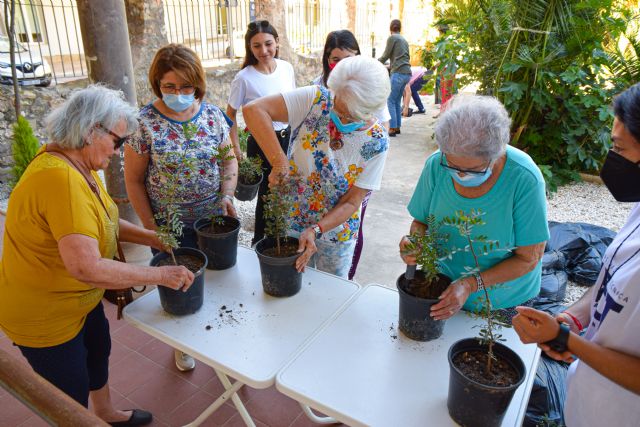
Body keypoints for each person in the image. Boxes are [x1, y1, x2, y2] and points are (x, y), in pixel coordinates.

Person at [0, 85, 194, 426]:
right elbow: (85, 267)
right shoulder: (60, 180)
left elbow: (103, 219)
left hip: (77, 302)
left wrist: (152, 237)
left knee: (98, 349)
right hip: (46, 316)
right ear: (92, 130)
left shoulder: (74, 165)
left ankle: (105, 413)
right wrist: (162, 275)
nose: (119, 152)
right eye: (118, 142)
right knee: (68, 397)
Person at [512, 83, 640, 426]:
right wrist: (575, 318)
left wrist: (566, 339)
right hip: (588, 403)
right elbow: (609, 283)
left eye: (619, 148)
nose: (611, 158)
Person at [124, 44, 237, 373]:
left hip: (214, 225)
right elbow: (133, 181)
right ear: (157, 83)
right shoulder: (143, 124)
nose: (178, 93)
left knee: (221, 284)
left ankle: (224, 344)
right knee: (182, 292)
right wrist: (151, 227)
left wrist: (227, 195)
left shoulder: (213, 115)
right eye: (169, 86)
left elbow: (229, 161)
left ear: (197, 84)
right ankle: (182, 346)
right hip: (170, 229)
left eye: (186, 86)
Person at [399, 95, 548, 322]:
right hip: (442, 290)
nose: (459, 175)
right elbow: (421, 221)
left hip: (502, 301)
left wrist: (470, 285)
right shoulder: (435, 165)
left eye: (473, 169)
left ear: (496, 155)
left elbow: (529, 258)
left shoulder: (524, 178)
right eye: (452, 165)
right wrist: (415, 244)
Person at [244, 56, 390, 278]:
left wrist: (317, 229)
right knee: (291, 285)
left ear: (371, 109)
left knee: (329, 294)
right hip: (291, 219)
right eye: (338, 107)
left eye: (349, 115)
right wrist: (279, 162)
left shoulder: (377, 141)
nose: (340, 118)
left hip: (336, 234)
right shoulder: (316, 98)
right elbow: (254, 111)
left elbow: (352, 201)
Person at [313, 29, 390, 280]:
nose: (341, 65)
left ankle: (346, 276)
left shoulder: (371, 92)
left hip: (354, 176)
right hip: (319, 186)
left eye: (348, 58)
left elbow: (379, 137)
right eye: (335, 59)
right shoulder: (318, 92)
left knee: (348, 226)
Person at [226, 20, 296, 245]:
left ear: (277, 41)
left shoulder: (286, 68)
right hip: (261, 141)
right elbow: (230, 115)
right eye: (256, 46)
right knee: (267, 191)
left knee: (288, 186)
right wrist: (236, 148)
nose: (263, 51)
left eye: (268, 44)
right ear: (249, 48)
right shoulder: (244, 78)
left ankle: (281, 237)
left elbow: (293, 104)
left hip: (288, 137)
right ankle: (261, 241)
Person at [378, 19, 411, 137]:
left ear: (390, 28)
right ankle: (397, 126)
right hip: (407, 73)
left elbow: (385, 55)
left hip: (398, 73)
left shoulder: (392, 38)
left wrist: (374, 63)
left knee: (390, 100)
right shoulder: (404, 40)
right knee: (396, 100)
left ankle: (392, 127)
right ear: (400, 28)